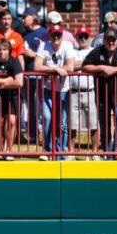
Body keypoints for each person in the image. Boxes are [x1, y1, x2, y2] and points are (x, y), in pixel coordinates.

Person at [82, 28, 117, 158]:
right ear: (104, 40)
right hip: (102, 96)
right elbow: (85, 66)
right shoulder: (98, 51)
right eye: (108, 40)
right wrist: (102, 67)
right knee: (104, 124)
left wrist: (114, 70)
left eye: (113, 40)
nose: (111, 42)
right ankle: (108, 152)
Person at [34, 26, 76, 159]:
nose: (56, 37)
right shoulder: (43, 45)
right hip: (48, 89)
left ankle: (60, 151)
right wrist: (56, 70)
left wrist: (48, 69)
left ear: (62, 35)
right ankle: (47, 150)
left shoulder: (68, 46)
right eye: (53, 35)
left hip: (64, 89)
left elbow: (71, 66)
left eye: (58, 34)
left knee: (62, 122)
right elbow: (36, 66)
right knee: (47, 118)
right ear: (50, 36)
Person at [67, 26, 98, 156]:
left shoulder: (94, 51)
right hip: (74, 91)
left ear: (89, 38)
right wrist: (85, 65)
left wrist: (80, 65)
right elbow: (70, 67)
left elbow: (94, 66)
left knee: (93, 124)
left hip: (90, 91)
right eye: (81, 37)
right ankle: (71, 152)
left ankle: (95, 152)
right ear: (77, 38)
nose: (83, 39)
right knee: (72, 124)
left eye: (85, 36)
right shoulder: (72, 51)